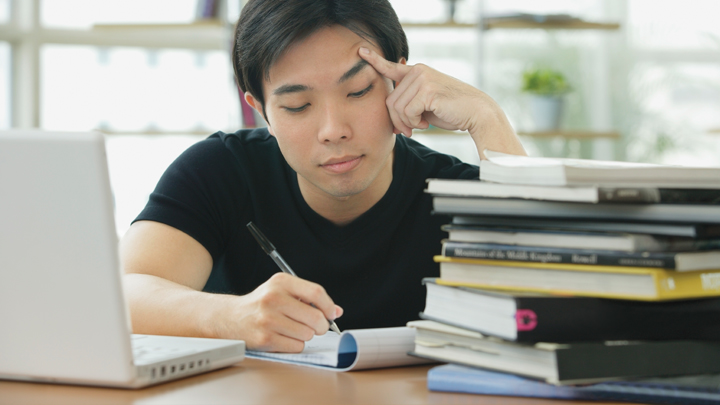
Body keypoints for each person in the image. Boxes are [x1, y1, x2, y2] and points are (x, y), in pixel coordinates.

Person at [120, 0, 526, 353]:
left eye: (358, 92)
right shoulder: (219, 171)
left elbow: (557, 309)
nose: (333, 129)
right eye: (297, 106)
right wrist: (231, 315)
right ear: (261, 110)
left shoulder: (458, 192)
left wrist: (486, 118)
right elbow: (125, 294)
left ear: (400, 79)